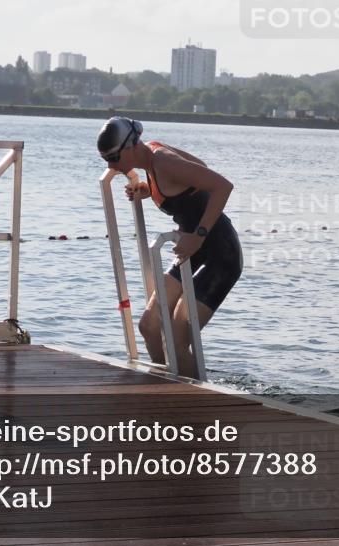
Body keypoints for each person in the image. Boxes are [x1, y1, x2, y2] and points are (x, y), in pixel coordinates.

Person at [97, 117, 242, 378]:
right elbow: (198, 170)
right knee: (150, 326)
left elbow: (222, 186)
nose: (111, 166)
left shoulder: (163, 160)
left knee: (176, 339)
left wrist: (198, 235)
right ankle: (167, 386)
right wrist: (149, 189)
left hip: (220, 254)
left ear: (130, 147)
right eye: (105, 160)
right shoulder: (152, 160)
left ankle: (195, 403)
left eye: (114, 158)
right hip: (193, 250)